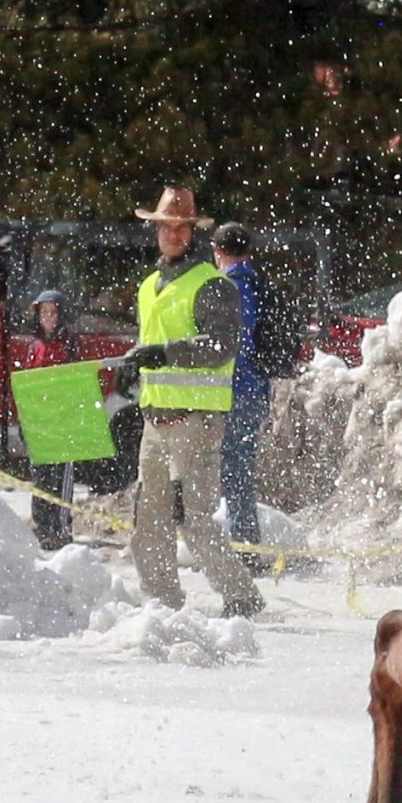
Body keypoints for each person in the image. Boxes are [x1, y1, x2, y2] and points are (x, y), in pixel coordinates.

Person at [122, 188, 263, 617]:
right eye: (166, 226)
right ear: (157, 231)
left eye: (180, 227)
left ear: (193, 232)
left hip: (196, 422)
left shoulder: (212, 285)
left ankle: (241, 597)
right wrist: (138, 364)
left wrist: (165, 352)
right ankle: (161, 604)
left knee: (194, 519)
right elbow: (152, 345)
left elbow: (221, 346)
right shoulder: (149, 286)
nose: (172, 234)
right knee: (149, 521)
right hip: (156, 422)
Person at [208, 222, 271, 562]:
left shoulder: (233, 287)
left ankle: (244, 549)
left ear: (218, 252)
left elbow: (237, 345)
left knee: (234, 475)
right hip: (255, 389)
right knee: (239, 473)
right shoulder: (256, 282)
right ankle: (245, 543)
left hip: (237, 391)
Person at [15, 290, 77, 550]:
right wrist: (25, 419)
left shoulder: (70, 344)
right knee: (40, 477)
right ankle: (41, 527)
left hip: (61, 422)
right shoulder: (34, 347)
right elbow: (27, 384)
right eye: (44, 313)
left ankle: (60, 528)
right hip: (39, 423)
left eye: (53, 313)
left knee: (60, 477)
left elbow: (74, 382)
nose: (48, 318)